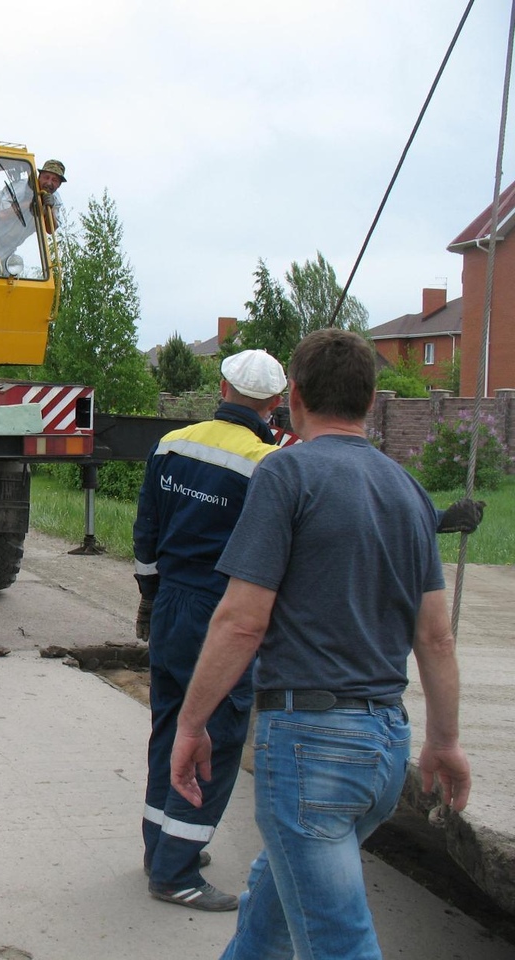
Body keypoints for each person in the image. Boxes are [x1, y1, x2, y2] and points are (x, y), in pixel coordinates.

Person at [170, 329, 471, 958]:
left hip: (312, 749)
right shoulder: (409, 490)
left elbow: (241, 622)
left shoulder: (285, 474)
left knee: (337, 942)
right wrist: (444, 741)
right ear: (369, 399)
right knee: (274, 905)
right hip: (386, 748)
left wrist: (191, 722)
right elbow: (436, 638)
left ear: (295, 396)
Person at [133, 348, 288, 912]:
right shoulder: (268, 462)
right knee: (215, 739)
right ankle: (176, 874)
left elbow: (146, 527)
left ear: (222, 386)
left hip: (171, 600)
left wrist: (150, 596)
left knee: (171, 728)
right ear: (275, 402)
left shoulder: (174, 443)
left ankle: (162, 848)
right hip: (221, 614)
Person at [0, 159, 66, 268]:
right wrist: (30, 204)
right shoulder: (22, 187)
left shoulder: (54, 200)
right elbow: (2, 214)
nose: (49, 183)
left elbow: (50, 229)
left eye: (54, 180)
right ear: (39, 176)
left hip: (5, 244)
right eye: (46, 177)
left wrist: (49, 208)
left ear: (59, 184)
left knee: (6, 277)